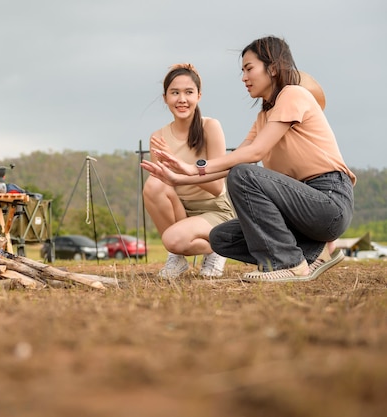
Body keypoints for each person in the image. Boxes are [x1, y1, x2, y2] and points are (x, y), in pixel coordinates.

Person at [141, 36, 355, 282]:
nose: (244, 77)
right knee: (221, 238)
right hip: (298, 213)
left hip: (328, 200)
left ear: (272, 68)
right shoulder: (264, 116)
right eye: (242, 70)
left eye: (249, 68)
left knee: (243, 174)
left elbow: (253, 155)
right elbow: (233, 160)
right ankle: (308, 254)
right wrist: (180, 175)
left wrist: (193, 167)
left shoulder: (293, 94)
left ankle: (290, 263)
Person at [143, 63, 235, 279]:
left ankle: (216, 248)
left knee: (175, 240)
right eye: (175, 92)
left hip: (215, 210)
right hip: (181, 209)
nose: (181, 99)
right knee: (153, 184)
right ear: (165, 97)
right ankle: (177, 258)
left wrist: (179, 167)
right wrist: (171, 174)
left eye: (188, 92)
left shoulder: (210, 127)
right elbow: (162, 187)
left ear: (199, 96)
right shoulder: (158, 137)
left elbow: (215, 186)